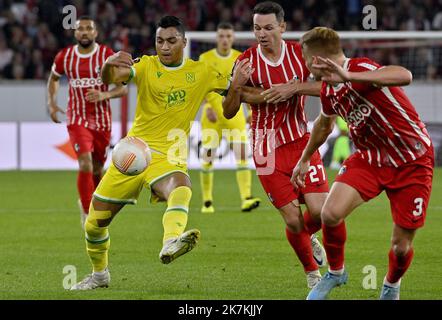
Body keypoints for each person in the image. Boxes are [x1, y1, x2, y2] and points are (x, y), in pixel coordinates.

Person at [70, 16, 231, 290]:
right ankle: (99, 275)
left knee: (181, 187)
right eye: (159, 41)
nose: (164, 47)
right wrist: (110, 64)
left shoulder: (202, 71)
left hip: (168, 155)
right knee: (94, 225)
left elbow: (236, 88)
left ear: (184, 42)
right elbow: (111, 78)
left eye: (171, 41)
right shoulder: (146, 65)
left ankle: (170, 241)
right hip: (133, 153)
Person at [292, 27, 434, 300]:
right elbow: (324, 124)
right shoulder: (327, 90)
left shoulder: (360, 68)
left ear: (318, 59)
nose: (305, 64)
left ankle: (391, 285)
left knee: (401, 248)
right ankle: (336, 273)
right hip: (370, 159)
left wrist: (350, 76)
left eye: (307, 58)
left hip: (412, 161)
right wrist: (305, 157)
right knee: (330, 213)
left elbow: (405, 75)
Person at [222, 1, 328, 289]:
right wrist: (236, 86)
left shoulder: (300, 54)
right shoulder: (245, 61)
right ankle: (312, 274)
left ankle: (310, 237)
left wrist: (294, 87)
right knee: (293, 220)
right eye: (256, 28)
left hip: (300, 141)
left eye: (268, 27)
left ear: (282, 27)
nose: (262, 33)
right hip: (265, 147)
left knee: (321, 212)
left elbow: (327, 87)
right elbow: (229, 110)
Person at [47, 16, 127, 228]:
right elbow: (54, 78)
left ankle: (97, 203)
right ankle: (86, 210)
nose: (84, 32)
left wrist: (104, 95)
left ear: (95, 33)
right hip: (77, 118)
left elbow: (123, 88)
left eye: (88, 28)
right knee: (85, 162)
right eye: (80, 29)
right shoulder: (65, 57)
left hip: (102, 121)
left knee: (98, 169)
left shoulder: (106, 56)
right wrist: (52, 103)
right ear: (75, 33)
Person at [199, 22, 261, 214]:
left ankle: (246, 199)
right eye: (221, 36)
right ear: (217, 38)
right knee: (208, 156)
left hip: (235, 113)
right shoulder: (205, 58)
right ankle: (207, 202)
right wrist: (207, 105)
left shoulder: (239, 58)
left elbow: (247, 87)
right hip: (212, 115)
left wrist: (251, 111)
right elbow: (200, 86)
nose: (224, 39)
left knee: (242, 155)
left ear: (233, 38)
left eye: (228, 36)